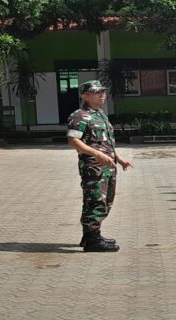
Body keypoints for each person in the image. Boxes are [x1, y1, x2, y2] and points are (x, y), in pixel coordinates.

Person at [66, 80, 132, 252]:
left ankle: (89, 236)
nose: (102, 95)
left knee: (105, 201)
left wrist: (118, 157)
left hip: (107, 166)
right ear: (85, 96)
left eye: (103, 91)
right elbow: (73, 141)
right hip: (93, 167)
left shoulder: (100, 114)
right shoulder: (80, 116)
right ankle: (93, 240)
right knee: (95, 201)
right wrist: (98, 155)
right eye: (97, 92)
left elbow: (105, 142)